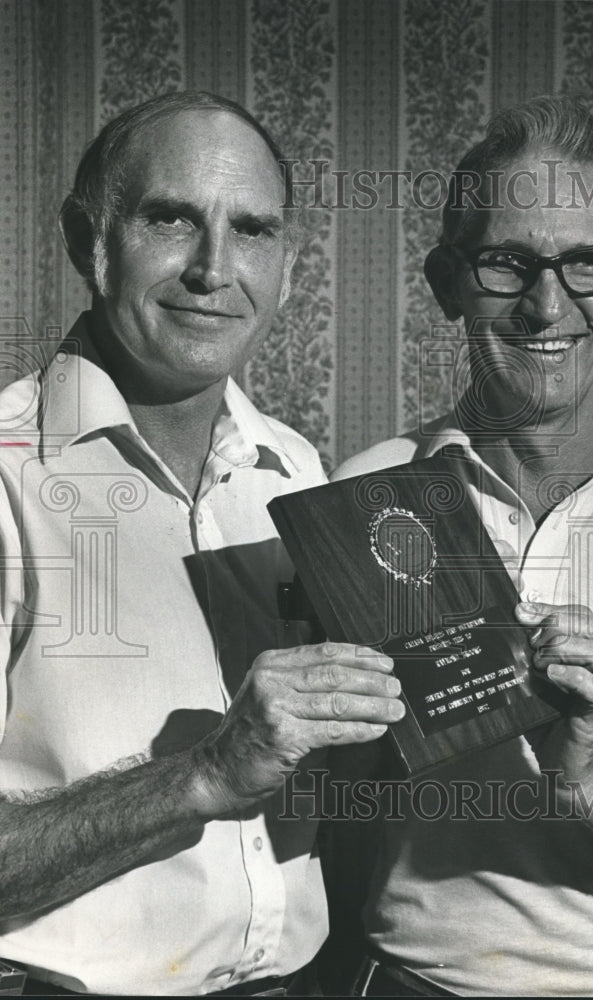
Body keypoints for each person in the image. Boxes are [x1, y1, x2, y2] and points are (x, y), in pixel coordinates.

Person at [330, 96, 593, 997]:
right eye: (507, 263)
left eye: (587, 263)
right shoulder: (368, 492)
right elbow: (323, 807)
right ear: (446, 282)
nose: (548, 305)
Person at [0, 91, 404, 997]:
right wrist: (206, 775)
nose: (214, 269)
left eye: (252, 230)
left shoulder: (297, 475)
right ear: (89, 241)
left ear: (288, 269)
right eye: (171, 219)